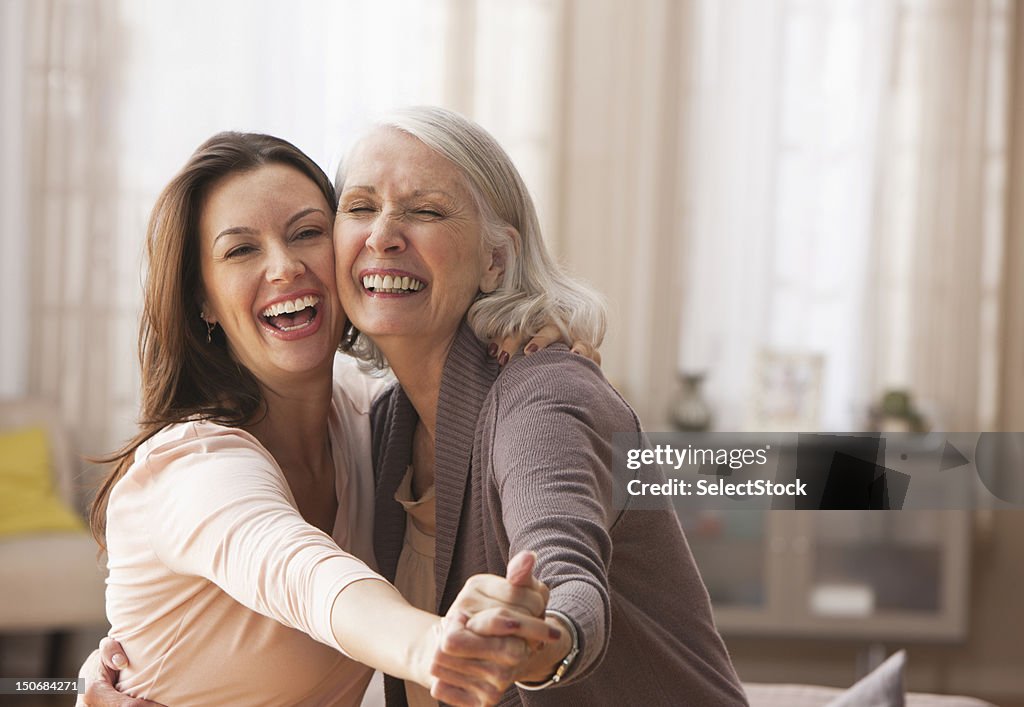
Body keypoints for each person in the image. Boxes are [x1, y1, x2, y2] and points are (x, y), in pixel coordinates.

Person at [80, 131, 564, 707]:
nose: (284, 268)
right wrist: (432, 645)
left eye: (307, 233)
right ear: (202, 300)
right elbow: (304, 576)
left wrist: (533, 326)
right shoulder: (192, 465)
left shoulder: (370, 418)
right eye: (241, 250)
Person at [332, 106, 749, 705]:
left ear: (495, 260)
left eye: (425, 211)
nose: (382, 235)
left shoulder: (542, 394)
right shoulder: (383, 424)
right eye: (360, 206)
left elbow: (562, 567)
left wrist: (543, 634)